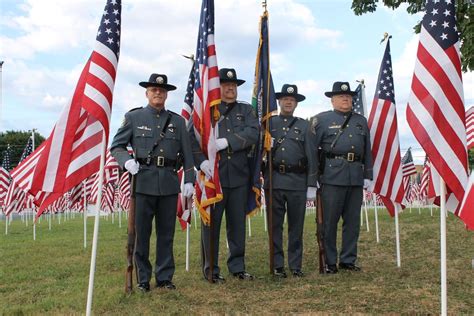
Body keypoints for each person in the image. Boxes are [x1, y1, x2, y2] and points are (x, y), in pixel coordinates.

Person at [111, 73, 195, 291]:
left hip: (168, 183)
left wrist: (189, 180)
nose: (158, 93)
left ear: (166, 94)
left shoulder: (178, 121)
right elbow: (117, 146)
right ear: (147, 93)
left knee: (166, 233)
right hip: (143, 182)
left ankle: (165, 277)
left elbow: (188, 154)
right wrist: (126, 161)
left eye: (162, 90)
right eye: (154, 90)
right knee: (142, 234)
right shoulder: (134, 118)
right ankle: (142, 278)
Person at [192, 68, 259, 282]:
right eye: (225, 84)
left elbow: (253, 133)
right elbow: (192, 138)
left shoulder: (246, 110)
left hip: (239, 175)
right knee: (211, 224)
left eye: (233, 85)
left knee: (237, 224)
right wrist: (200, 162)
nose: (230, 88)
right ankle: (211, 270)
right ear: (216, 87)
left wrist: (228, 141)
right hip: (214, 177)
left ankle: (237, 267)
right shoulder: (207, 110)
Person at [311, 81, 373, 273]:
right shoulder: (320, 120)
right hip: (331, 176)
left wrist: (367, 174)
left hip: (355, 175)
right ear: (332, 100)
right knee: (329, 222)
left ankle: (348, 260)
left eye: (348, 96)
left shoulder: (361, 121)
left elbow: (367, 149)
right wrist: (313, 178)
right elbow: (312, 151)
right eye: (341, 96)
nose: (346, 99)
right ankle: (330, 261)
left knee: (352, 221)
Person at [264, 84, 318, 278]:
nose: (288, 102)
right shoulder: (268, 123)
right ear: (279, 101)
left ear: (296, 103)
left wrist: (311, 184)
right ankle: (277, 265)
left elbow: (312, 155)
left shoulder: (304, 125)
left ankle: (295, 266)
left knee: (296, 226)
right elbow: (258, 155)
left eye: (292, 100)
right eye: (285, 99)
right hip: (275, 180)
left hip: (297, 182)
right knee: (274, 226)